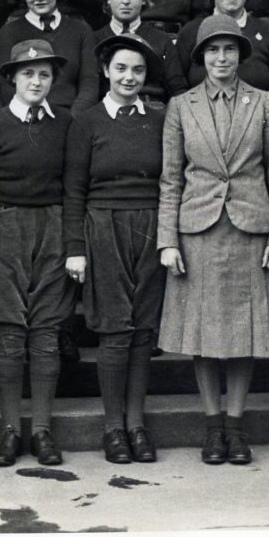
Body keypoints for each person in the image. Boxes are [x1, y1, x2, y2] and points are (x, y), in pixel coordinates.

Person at [158, 15, 269, 466]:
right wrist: (167, 240)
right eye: (212, 51)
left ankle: (236, 427)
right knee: (204, 335)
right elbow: (170, 179)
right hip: (198, 231)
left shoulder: (263, 102)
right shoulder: (181, 105)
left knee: (243, 334)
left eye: (229, 50)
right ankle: (212, 428)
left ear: (240, 55)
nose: (221, 58)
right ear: (200, 58)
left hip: (251, 229)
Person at [63, 34, 167, 464]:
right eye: (121, 68)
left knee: (143, 330)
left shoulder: (160, 119)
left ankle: (137, 425)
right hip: (102, 225)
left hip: (150, 224)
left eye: (138, 70)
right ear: (105, 71)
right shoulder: (86, 121)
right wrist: (75, 247)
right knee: (114, 328)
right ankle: (112, 428)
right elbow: (74, 189)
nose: (129, 77)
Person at [0, 39, 75, 467]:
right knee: (10, 333)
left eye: (45, 74)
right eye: (28, 73)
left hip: (52, 227)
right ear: (12, 78)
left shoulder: (66, 124)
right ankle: (10, 429)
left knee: (47, 332)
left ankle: (43, 430)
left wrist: (72, 243)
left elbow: (73, 187)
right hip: (3, 226)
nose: (36, 81)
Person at [0, 0, 97, 115]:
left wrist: (73, 121)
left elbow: (89, 85)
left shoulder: (81, 30)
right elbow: (6, 87)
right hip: (29, 119)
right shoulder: (9, 32)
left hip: (73, 119)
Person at [92, 0, 188, 105]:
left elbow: (177, 89)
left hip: (153, 110)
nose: (125, 1)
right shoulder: (95, 39)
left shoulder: (162, 40)